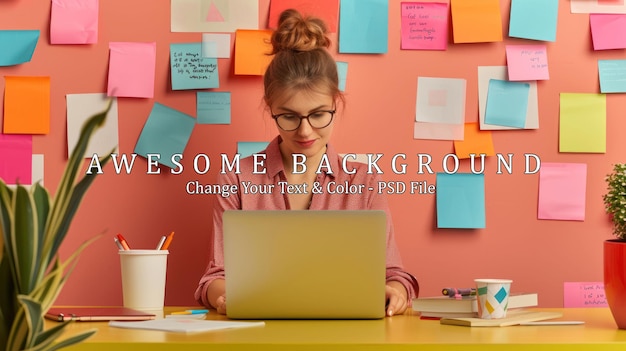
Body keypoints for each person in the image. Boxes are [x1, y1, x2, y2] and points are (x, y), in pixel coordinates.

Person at [194, 9, 419, 317]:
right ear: (270, 107)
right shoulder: (236, 178)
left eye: (318, 114)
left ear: (335, 104)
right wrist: (225, 296)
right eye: (288, 116)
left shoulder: (363, 181)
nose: (304, 131)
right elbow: (214, 278)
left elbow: (395, 274)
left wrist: (396, 291)